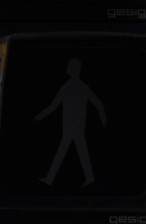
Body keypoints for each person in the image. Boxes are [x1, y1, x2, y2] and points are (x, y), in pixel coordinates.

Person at [36, 57, 107, 187]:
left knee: (66, 152)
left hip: (72, 128)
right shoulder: (79, 86)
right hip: (76, 127)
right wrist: (104, 121)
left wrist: (38, 118)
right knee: (79, 151)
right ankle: (88, 177)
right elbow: (99, 104)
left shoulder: (69, 87)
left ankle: (50, 179)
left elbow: (52, 106)